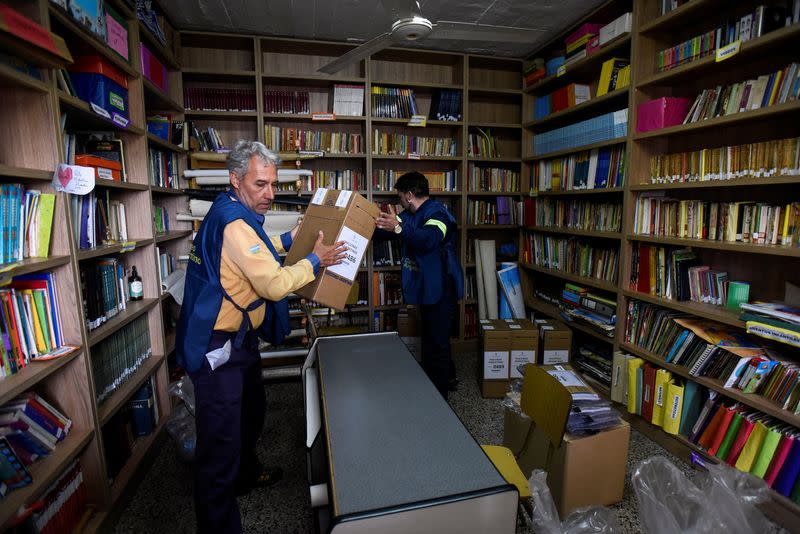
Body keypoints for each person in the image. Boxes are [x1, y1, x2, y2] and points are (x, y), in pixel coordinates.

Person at [176, 140, 347, 534]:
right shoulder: (234, 222)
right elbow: (272, 284)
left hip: (239, 341)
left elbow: (253, 251)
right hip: (216, 347)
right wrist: (316, 260)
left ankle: (246, 474)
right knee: (218, 450)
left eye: (273, 184)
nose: (270, 193)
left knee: (250, 413)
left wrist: (289, 241)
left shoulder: (228, 210)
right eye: (260, 184)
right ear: (235, 180)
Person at [374, 171, 464, 399]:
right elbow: (391, 231)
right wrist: (373, 224)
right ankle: (448, 377)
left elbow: (428, 239)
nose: (399, 202)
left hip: (442, 289)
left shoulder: (440, 215)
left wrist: (397, 227)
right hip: (428, 287)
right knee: (435, 338)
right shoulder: (411, 214)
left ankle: (439, 399)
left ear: (410, 195)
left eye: (401, 197)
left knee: (436, 343)